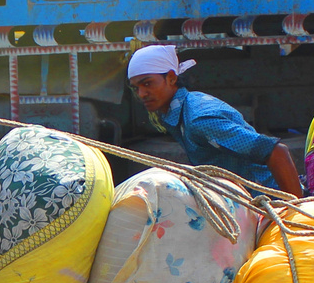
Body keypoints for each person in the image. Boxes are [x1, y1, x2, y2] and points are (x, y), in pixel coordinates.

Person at [128, 43, 302, 195]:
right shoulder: (183, 110)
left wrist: (299, 211)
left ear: (172, 78)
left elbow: (276, 152)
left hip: (269, 200)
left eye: (147, 83)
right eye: (136, 88)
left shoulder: (200, 120)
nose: (141, 94)